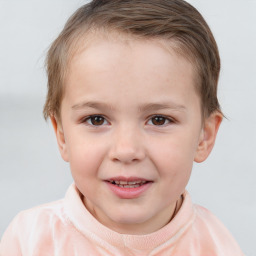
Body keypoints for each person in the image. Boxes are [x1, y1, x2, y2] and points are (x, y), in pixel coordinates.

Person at [0, 0, 244, 255]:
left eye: (159, 120)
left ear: (204, 137)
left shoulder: (217, 246)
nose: (126, 150)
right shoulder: (28, 240)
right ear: (62, 135)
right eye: (96, 119)